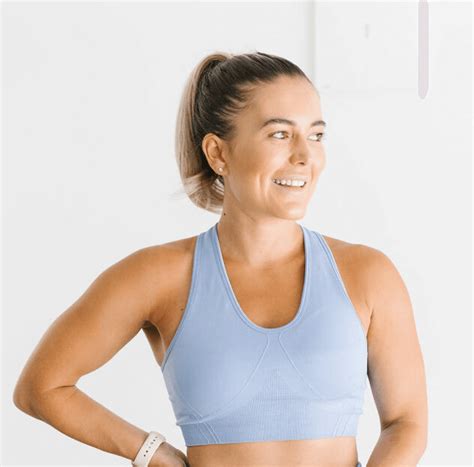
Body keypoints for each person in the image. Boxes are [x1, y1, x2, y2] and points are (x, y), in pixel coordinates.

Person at [13, 51, 428, 467]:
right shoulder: (160, 276)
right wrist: (150, 452)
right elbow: (41, 387)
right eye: (280, 134)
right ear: (218, 154)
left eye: (316, 135)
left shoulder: (368, 275)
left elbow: (406, 422)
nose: (305, 156)